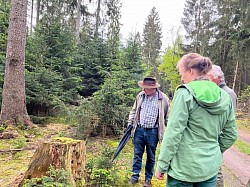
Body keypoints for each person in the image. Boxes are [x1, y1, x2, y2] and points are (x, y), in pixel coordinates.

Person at [155, 53, 238, 187]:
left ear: (191, 71)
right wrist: (214, 150)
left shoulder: (185, 93)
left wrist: (162, 164)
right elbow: (231, 134)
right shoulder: (225, 96)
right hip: (210, 168)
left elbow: (173, 133)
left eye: (181, 72)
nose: (181, 78)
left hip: (182, 169)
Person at [127, 75, 170, 187]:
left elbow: (167, 117)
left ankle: (148, 179)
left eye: (146, 87)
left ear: (153, 88)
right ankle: (135, 176)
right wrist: (130, 124)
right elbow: (134, 110)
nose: (144, 89)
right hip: (139, 130)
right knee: (137, 154)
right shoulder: (140, 96)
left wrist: (168, 131)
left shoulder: (163, 98)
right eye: (144, 87)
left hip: (153, 132)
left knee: (151, 156)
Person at [207, 65, 237, 187]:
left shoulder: (228, 94)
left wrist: (219, 146)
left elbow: (230, 124)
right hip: (209, 140)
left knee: (216, 172)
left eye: (208, 77)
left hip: (216, 140)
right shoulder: (212, 91)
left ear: (217, 77)